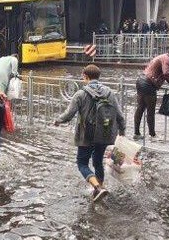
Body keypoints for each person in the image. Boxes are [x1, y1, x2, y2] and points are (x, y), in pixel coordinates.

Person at [54, 65, 126, 202]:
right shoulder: (110, 93)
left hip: (86, 134)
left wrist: (58, 120)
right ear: (99, 76)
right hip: (104, 134)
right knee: (98, 162)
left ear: (85, 76)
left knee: (82, 163)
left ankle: (98, 188)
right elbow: (119, 115)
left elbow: (69, 114)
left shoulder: (81, 94)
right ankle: (100, 188)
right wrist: (122, 131)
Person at [134, 45, 169, 139]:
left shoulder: (163, 56)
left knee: (140, 108)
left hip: (141, 80)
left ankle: (136, 133)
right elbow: (166, 73)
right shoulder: (167, 59)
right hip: (148, 84)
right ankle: (152, 135)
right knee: (150, 111)